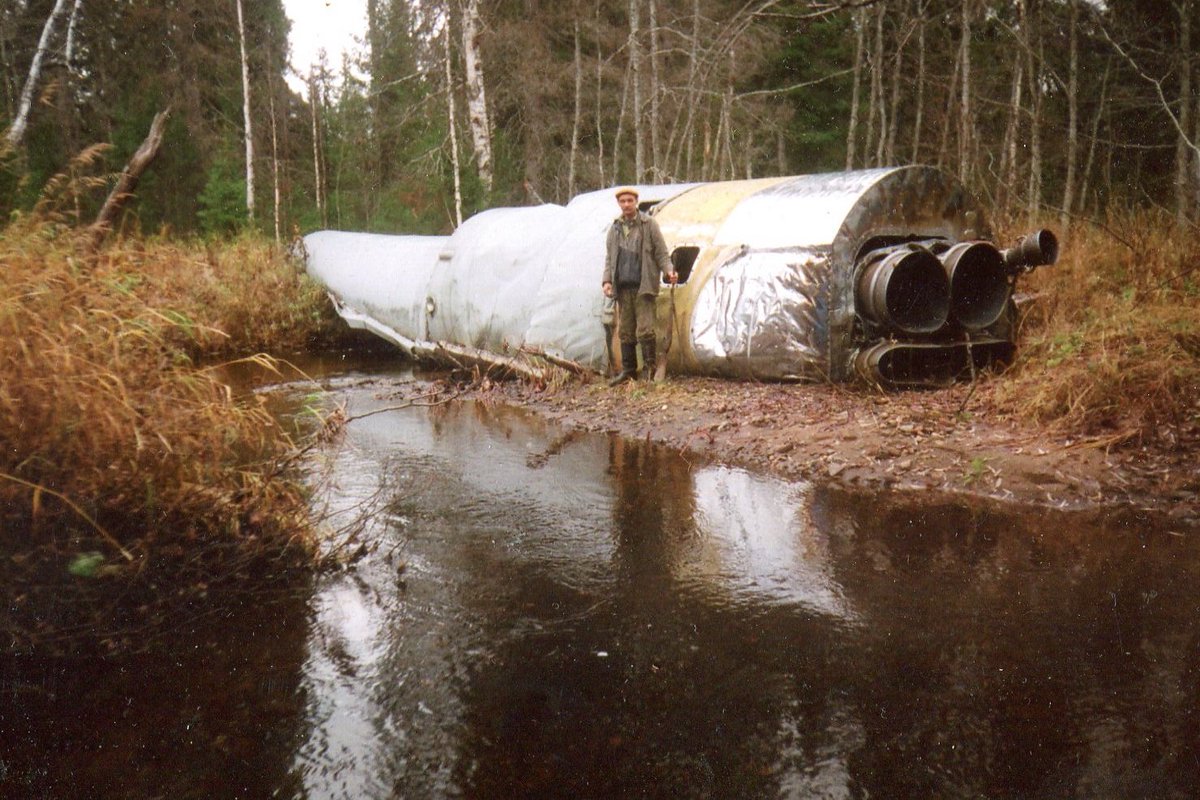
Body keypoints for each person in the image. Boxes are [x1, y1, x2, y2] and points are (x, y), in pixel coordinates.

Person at [601, 187, 677, 385]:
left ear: (636, 201)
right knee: (625, 330)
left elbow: (661, 253)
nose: (626, 204)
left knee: (645, 329)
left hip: (643, 286)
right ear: (619, 204)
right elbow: (609, 258)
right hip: (623, 288)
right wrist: (607, 281)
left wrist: (669, 270)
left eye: (629, 200)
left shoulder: (649, 225)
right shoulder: (615, 228)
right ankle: (629, 371)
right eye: (622, 201)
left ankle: (650, 370)